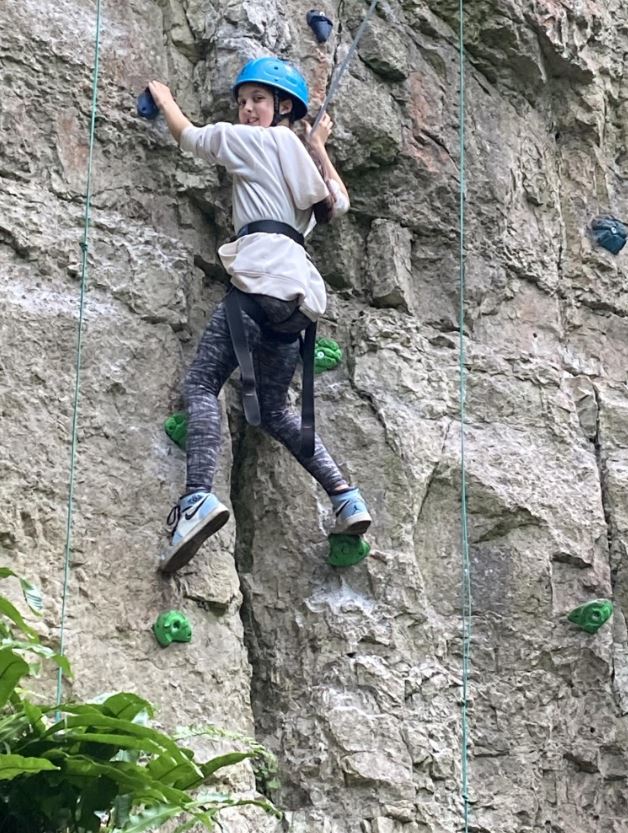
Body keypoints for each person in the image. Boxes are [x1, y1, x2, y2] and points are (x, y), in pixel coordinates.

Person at [148, 56, 371, 574]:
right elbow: (338, 203)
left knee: (203, 386)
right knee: (274, 412)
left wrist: (165, 100)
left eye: (260, 101)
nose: (249, 109)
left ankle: (198, 498)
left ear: (282, 109)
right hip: (297, 302)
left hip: (257, 280)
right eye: (244, 100)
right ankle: (346, 496)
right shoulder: (300, 154)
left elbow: (190, 137)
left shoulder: (253, 140)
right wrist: (319, 146)